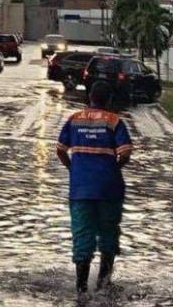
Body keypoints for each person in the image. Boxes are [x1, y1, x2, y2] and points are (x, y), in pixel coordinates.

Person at [57, 81, 135, 293]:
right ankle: (103, 284)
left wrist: (73, 169)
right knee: (109, 235)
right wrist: (113, 168)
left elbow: (60, 150)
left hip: (80, 189)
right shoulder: (114, 121)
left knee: (82, 236)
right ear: (109, 100)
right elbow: (126, 153)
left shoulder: (74, 120)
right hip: (109, 189)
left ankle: (81, 289)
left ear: (89, 97)